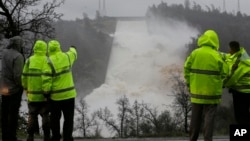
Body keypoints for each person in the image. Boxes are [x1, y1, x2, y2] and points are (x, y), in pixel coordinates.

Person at [184, 30, 227, 141]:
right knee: (209, 118)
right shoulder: (217, 56)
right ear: (215, 41)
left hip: (197, 91)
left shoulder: (195, 53)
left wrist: (190, 83)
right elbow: (225, 72)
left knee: (195, 117)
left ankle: (193, 138)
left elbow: (186, 68)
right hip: (212, 93)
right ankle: (208, 139)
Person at [42, 40, 77, 141]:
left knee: (55, 119)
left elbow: (46, 80)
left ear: (49, 49)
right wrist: (72, 47)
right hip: (69, 95)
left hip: (55, 97)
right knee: (69, 119)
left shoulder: (48, 62)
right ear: (59, 47)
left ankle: (56, 137)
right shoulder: (67, 57)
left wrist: (46, 93)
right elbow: (74, 53)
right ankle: (67, 137)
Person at [22, 40, 51, 141]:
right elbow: (50, 77)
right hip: (44, 95)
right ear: (44, 49)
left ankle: (30, 136)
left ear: (35, 48)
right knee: (45, 114)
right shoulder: (47, 60)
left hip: (32, 95)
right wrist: (48, 91)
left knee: (32, 115)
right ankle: (47, 136)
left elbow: (24, 76)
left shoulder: (29, 60)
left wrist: (25, 88)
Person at [1, 36, 24, 141]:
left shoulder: (4, 53)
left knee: (4, 112)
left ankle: (4, 135)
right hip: (14, 89)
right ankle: (12, 136)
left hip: (4, 87)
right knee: (13, 113)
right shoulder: (18, 56)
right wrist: (21, 85)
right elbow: (17, 75)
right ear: (18, 44)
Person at [224, 41, 250, 124]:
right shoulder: (244, 57)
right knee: (246, 114)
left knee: (240, 117)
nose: (229, 51)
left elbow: (232, 79)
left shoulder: (238, 62)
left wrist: (222, 84)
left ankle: (241, 134)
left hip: (241, 93)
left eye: (230, 49)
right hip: (247, 91)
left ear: (233, 49)